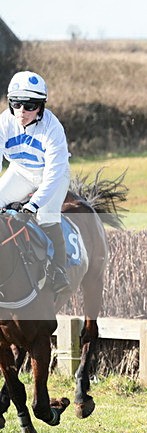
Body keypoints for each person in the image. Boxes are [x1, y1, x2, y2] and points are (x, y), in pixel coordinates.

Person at [0, 71, 70, 293]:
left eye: (30, 106)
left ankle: (60, 270)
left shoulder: (52, 127)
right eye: (17, 104)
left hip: (52, 176)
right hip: (20, 171)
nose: (22, 112)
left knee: (46, 216)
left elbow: (52, 174)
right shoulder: (3, 122)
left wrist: (32, 205)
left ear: (41, 107)